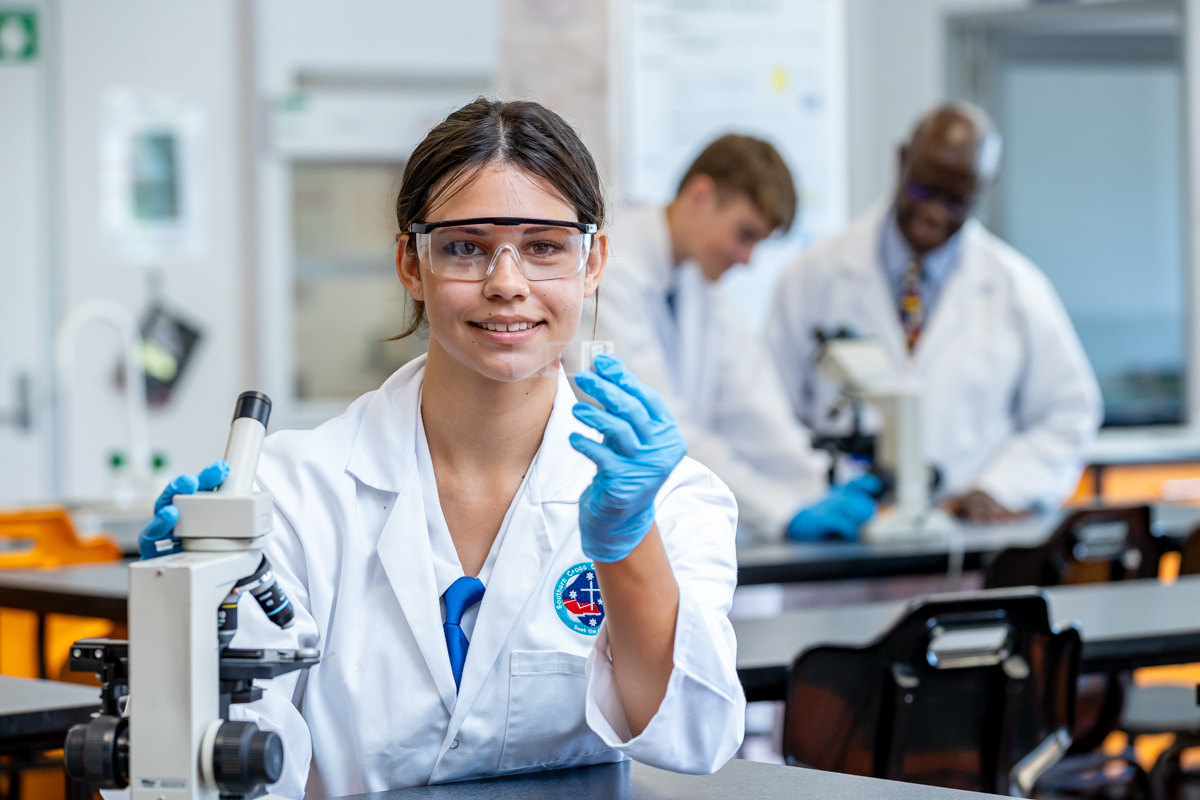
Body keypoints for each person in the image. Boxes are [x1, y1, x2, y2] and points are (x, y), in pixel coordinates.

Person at [136, 99, 744, 797]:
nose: (507, 283)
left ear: (593, 260)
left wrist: (626, 546)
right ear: (410, 263)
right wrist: (178, 627)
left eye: (545, 246)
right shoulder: (291, 494)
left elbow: (696, 735)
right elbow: (221, 772)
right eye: (466, 247)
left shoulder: (671, 499)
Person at [766, 104, 1102, 521]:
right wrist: (812, 493)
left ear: (984, 189)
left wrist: (998, 488)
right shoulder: (813, 276)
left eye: (957, 200)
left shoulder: (1017, 289)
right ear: (902, 160)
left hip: (967, 547)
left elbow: (1068, 414)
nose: (935, 213)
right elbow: (767, 413)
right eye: (924, 190)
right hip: (842, 546)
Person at [578, 134, 874, 543]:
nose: (748, 259)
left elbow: (754, 410)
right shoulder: (609, 272)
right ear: (700, 196)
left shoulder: (700, 283)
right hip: (606, 527)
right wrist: (783, 511)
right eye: (745, 234)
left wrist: (829, 482)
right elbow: (657, 428)